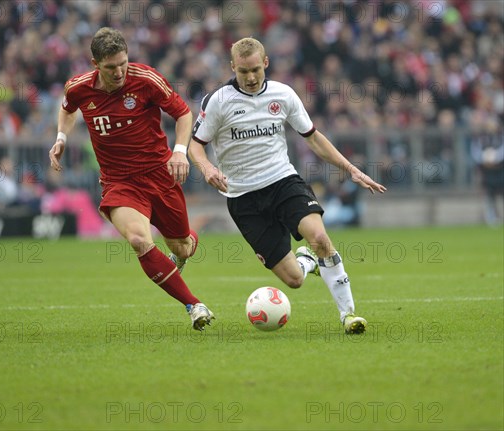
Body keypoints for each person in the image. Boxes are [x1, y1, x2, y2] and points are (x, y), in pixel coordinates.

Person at [188, 38, 386, 334]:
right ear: (232, 68)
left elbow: (313, 138)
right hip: (243, 198)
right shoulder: (218, 101)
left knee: (319, 236)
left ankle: (348, 315)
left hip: (283, 181)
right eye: (244, 72)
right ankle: (307, 261)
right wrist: (206, 168)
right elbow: (195, 146)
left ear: (265, 63)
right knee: (294, 279)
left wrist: (351, 170)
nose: (252, 77)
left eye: (256, 69)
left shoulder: (284, 94)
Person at [48, 27, 213, 330]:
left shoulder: (146, 79)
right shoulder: (79, 87)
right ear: (95, 64)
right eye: (111, 67)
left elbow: (184, 114)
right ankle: (194, 305)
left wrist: (179, 152)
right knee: (139, 240)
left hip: (160, 175)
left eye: (123, 63)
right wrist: (61, 137)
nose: (119, 71)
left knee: (182, 247)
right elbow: (67, 109)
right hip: (119, 182)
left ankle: (187, 244)